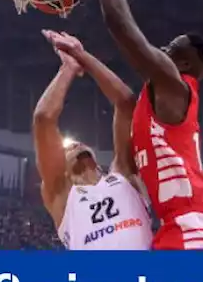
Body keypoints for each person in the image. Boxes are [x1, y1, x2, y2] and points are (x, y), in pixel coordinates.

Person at [70, 0, 203, 250]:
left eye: (170, 48)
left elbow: (118, 21)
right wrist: (81, 56)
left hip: (194, 224)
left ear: (184, 62)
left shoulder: (176, 84)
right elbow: (123, 100)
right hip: (176, 224)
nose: (161, 49)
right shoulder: (154, 101)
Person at [32, 35, 151, 251]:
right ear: (62, 166)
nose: (76, 145)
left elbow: (125, 101)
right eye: (67, 147)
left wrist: (81, 55)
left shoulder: (124, 174)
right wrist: (68, 69)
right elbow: (43, 118)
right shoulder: (62, 195)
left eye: (78, 142)